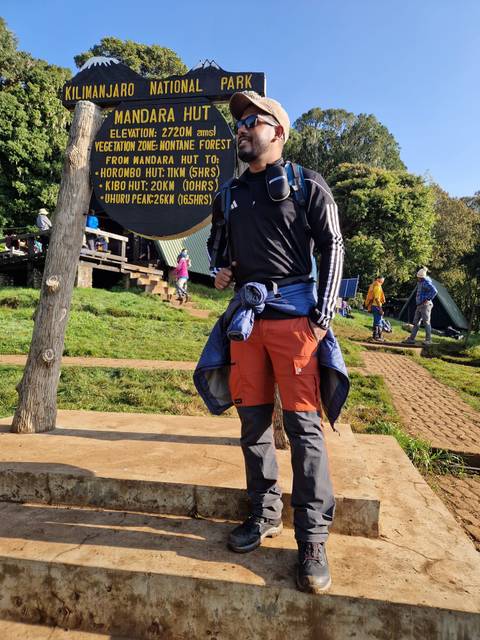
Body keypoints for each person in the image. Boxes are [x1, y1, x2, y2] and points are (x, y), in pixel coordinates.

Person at [203, 90, 346, 594]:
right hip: (246, 322)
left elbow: (332, 245)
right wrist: (221, 269)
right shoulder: (229, 195)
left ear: (278, 132)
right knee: (253, 424)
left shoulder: (307, 185)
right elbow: (216, 245)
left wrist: (323, 316)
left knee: (304, 429)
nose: (241, 128)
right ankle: (264, 514)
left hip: (295, 322)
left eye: (252, 121)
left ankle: (312, 538)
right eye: (238, 123)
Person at [403, 268, 438, 346]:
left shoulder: (426, 282)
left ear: (422, 277)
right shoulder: (420, 282)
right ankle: (411, 339)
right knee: (416, 322)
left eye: (418, 277)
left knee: (426, 322)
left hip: (425, 305)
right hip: (419, 305)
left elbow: (434, 291)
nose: (417, 278)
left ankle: (428, 340)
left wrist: (428, 298)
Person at [364, 276, 386, 342]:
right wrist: (380, 309)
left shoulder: (373, 285)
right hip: (376, 306)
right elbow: (376, 298)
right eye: (382, 280)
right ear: (378, 279)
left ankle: (375, 336)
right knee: (378, 322)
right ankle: (377, 337)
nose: (382, 282)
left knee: (376, 321)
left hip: (373, 306)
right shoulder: (378, 286)